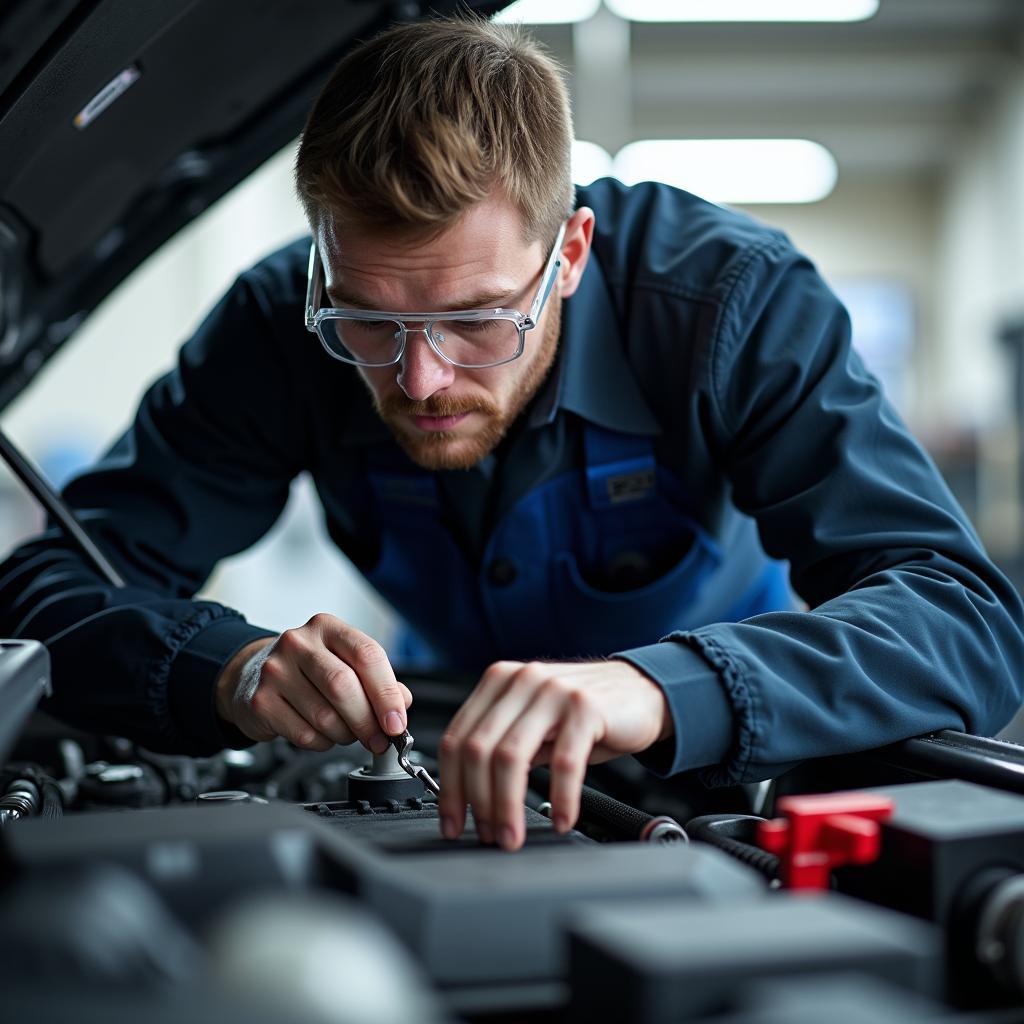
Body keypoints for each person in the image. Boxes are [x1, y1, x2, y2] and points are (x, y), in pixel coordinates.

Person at [1, 16, 1021, 851]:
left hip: (727, 738)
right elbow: (42, 594)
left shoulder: (729, 306)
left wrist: (661, 686)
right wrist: (224, 667)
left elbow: (963, 617)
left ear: (568, 252)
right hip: (438, 726)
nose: (419, 376)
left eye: (478, 319)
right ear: (321, 260)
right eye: (369, 318)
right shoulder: (276, 329)